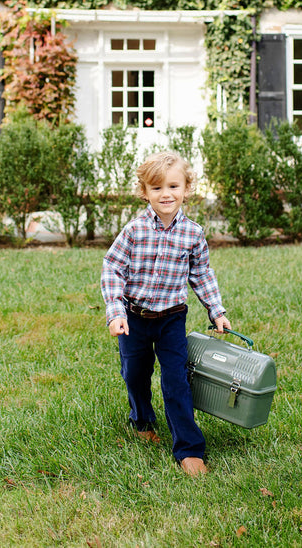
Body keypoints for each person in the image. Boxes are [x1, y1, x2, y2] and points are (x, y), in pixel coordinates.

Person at [100, 150, 231, 476]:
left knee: (176, 381)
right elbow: (112, 268)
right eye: (157, 188)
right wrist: (116, 313)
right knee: (135, 374)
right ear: (145, 192)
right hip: (134, 318)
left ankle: (189, 449)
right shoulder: (134, 230)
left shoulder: (193, 233)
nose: (166, 194)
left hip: (172, 318)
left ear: (186, 189)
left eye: (173, 186)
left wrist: (216, 310)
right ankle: (142, 420)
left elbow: (201, 274)